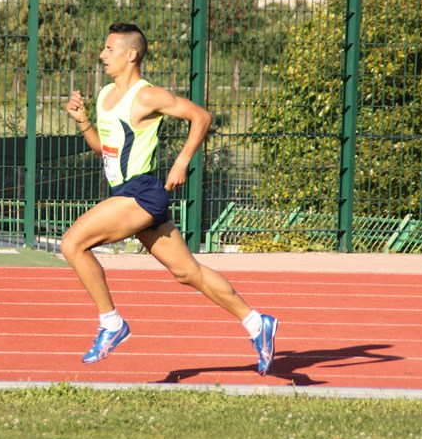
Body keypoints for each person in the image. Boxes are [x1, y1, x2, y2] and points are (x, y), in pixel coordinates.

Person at [62, 22, 278, 375]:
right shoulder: (104, 95)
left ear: (132, 54)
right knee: (187, 272)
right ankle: (257, 323)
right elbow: (104, 150)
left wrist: (181, 161)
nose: (102, 55)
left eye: (110, 49)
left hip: (142, 193)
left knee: (72, 244)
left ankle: (111, 323)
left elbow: (201, 117)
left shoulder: (147, 96)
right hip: (125, 193)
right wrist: (84, 121)